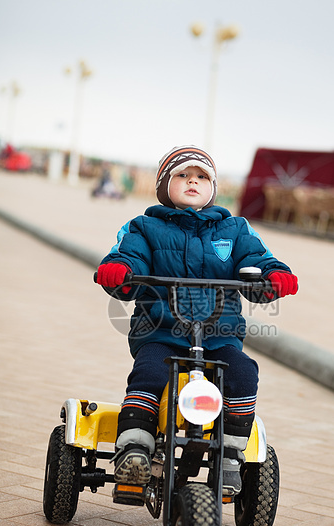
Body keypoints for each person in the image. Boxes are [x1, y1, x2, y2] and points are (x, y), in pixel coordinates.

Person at [96, 145, 298, 495]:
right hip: (162, 331)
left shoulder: (234, 230)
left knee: (243, 373)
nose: (193, 181)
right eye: (182, 175)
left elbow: (258, 258)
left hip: (219, 337)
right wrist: (121, 271)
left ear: (212, 187)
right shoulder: (145, 228)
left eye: (202, 177)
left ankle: (231, 456)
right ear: (164, 186)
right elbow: (131, 257)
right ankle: (134, 449)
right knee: (150, 373)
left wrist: (273, 276)